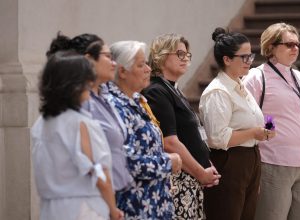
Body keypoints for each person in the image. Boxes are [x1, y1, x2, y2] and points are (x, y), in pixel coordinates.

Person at [243, 22, 300, 220]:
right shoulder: (256, 77)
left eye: (298, 44)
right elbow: (252, 119)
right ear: (271, 47)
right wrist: (270, 125)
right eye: (289, 44)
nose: (296, 48)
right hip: (273, 163)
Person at [31, 51, 123, 220]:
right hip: (83, 209)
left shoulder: (39, 124)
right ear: (73, 84)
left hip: (50, 210)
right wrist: (113, 209)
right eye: (86, 79)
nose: (90, 83)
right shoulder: (82, 124)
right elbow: (101, 176)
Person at [198, 27, 275, 220]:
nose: (250, 61)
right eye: (244, 57)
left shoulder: (240, 85)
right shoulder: (218, 91)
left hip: (250, 159)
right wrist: (253, 133)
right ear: (227, 59)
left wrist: (264, 131)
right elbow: (217, 138)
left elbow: (252, 122)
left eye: (250, 56)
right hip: (229, 161)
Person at [142, 33, 221, 220]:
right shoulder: (157, 91)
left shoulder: (174, 89)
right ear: (161, 55)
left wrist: (205, 163)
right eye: (179, 54)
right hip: (178, 180)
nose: (185, 58)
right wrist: (201, 172)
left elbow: (191, 135)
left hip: (191, 178)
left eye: (187, 54)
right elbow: (169, 142)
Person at [46, 33, 134, 194]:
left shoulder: (105, 95)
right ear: (89, 60)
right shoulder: (81, 103)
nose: (114, 63)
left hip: (118, 190)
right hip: (94, 194)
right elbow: (91, 164)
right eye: (108, 57)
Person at [105, 40, 182, 219]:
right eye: (141, 65)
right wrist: (167, 163)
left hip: (155, 204)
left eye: (147, 63)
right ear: (122, 71)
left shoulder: (135, 101)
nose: (148, 69)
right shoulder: (114, 106)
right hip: (135, 207)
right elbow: (124, 161)